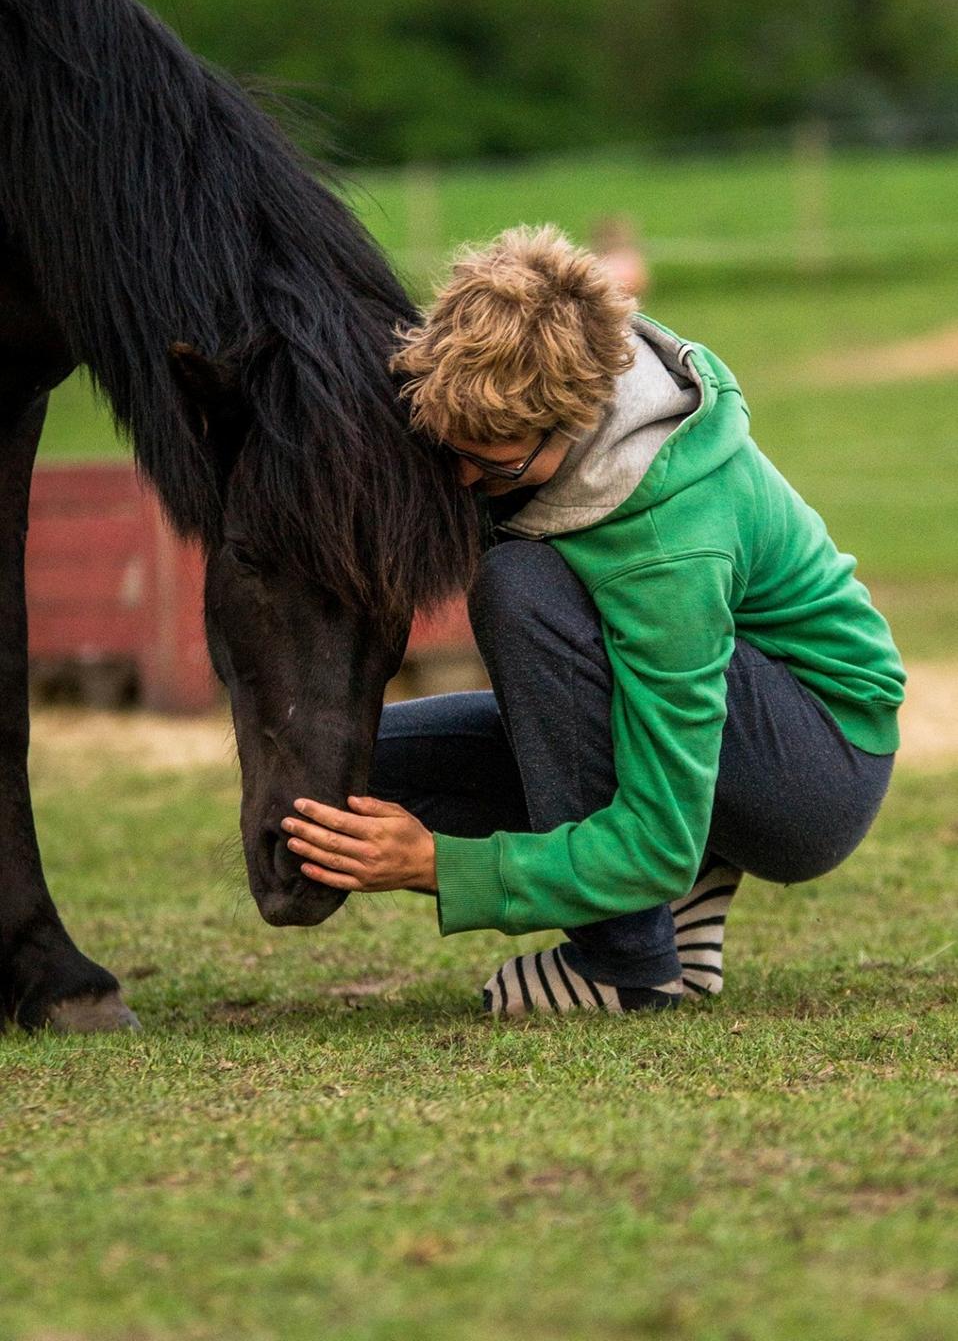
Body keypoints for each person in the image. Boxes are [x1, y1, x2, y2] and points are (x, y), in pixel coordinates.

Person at [282, 226, 905, 1017]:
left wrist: (437, 864)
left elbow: (652, 843)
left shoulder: (666, 552)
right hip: (705, 718)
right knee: (355, 767)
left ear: (570, 425)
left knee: (518, 586)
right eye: (449, 454)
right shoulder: (506, 406)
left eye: (493, 465)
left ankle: (625, 967)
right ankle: (696, 883)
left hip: (815, 767)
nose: (465, 484)